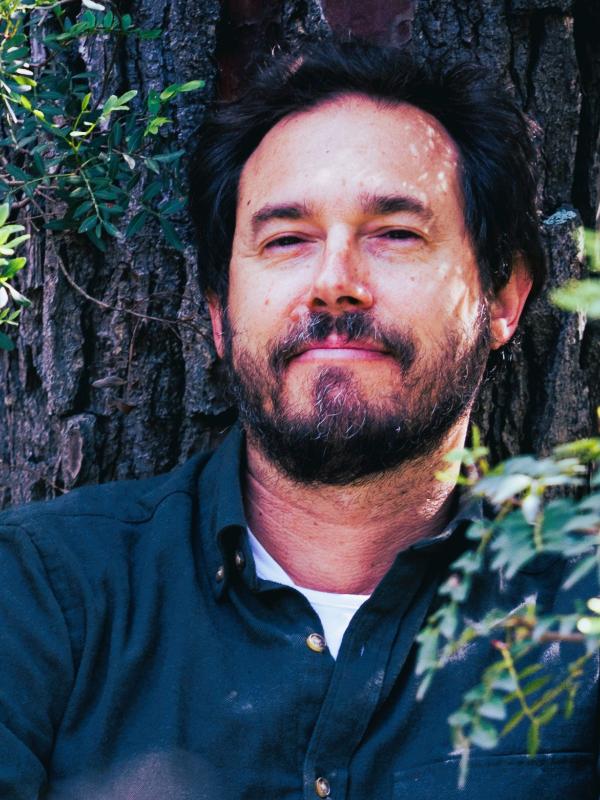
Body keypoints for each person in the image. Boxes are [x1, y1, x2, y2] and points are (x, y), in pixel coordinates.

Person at [0, 40, 596, 799]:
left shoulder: (582, 625)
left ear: (502, 297)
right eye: (287, 240)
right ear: (220, 312)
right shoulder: (38, 596)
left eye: (396, 233)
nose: (334, 283)